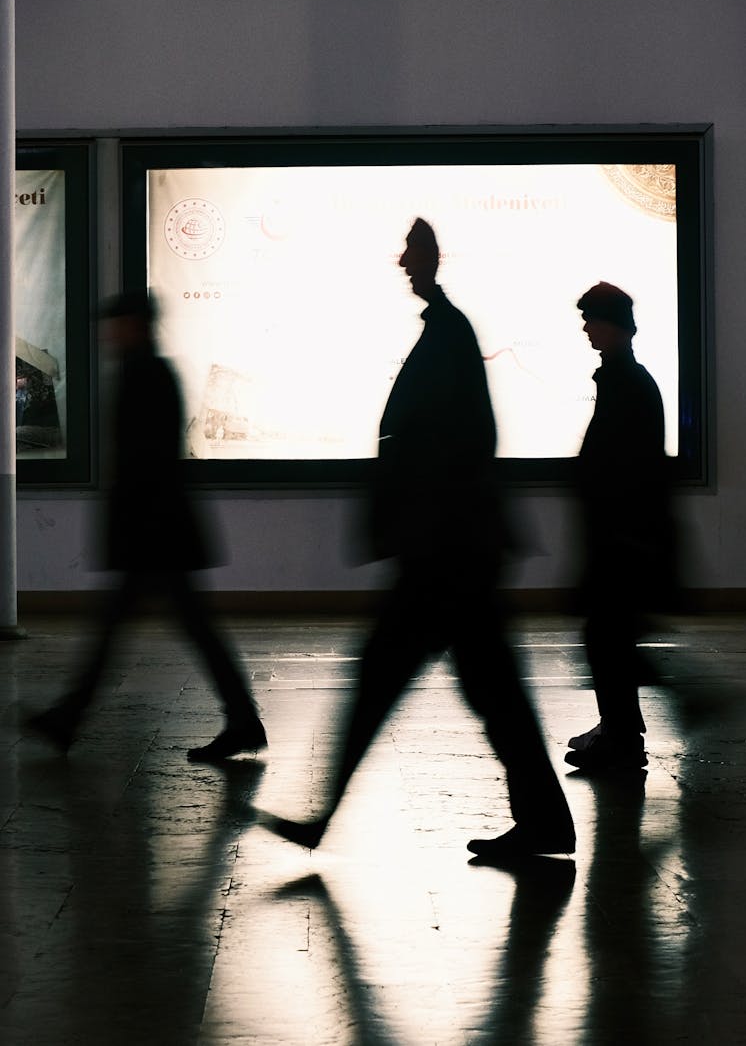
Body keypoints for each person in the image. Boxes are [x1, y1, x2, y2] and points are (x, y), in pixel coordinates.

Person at [263, 218, 575, 861]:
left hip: (445, 555)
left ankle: (324, 819)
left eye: (411, 252)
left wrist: (415, 521)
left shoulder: (448, 335)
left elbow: (450, 444)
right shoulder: (446, 333)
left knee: (391, 682)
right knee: (489, 695)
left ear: (431, 258)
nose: (402, 262)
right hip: (454, 551)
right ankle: (544, 822)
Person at [26, 289, 266, 763]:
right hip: (159, 533)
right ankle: (241, 721)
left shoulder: (146, 375)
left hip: (154, 536)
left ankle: (70, 718)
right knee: (176, 629)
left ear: (134, 324)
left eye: (116, 325)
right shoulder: (150, 372)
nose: (109, 334)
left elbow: (145, 465)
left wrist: (129, 530)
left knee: (138, 629)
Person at [565, 281, 673, 772]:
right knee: (609, 637)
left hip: (620, 536)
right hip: (620, 533)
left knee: (608, 638)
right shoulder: (624, 380)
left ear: (615, 325)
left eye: (592, 319)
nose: (586, 328)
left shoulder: (628, 384)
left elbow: (631, 470)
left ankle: (622, 736)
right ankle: (619, 729)